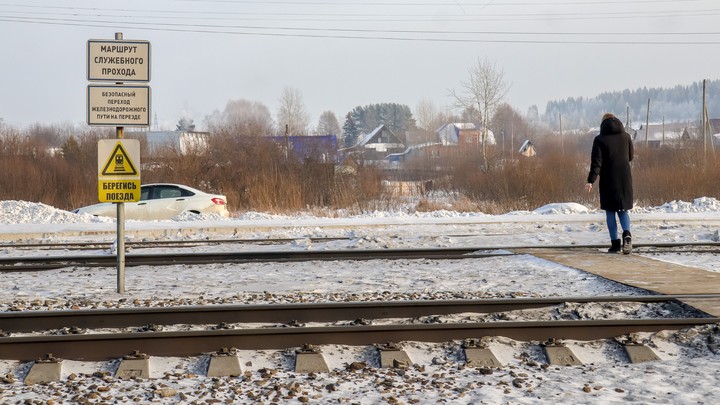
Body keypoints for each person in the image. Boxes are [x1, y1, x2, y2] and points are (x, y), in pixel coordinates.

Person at [585, 113, 634, 254]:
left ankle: (615, 244)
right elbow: (630, 156)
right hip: (625, 178)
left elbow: (596, 163)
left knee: (610, 212)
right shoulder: (626, 137)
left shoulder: (599, 140)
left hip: (608, 179)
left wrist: (590, 181)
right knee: (623, 209)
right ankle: (627, 234)